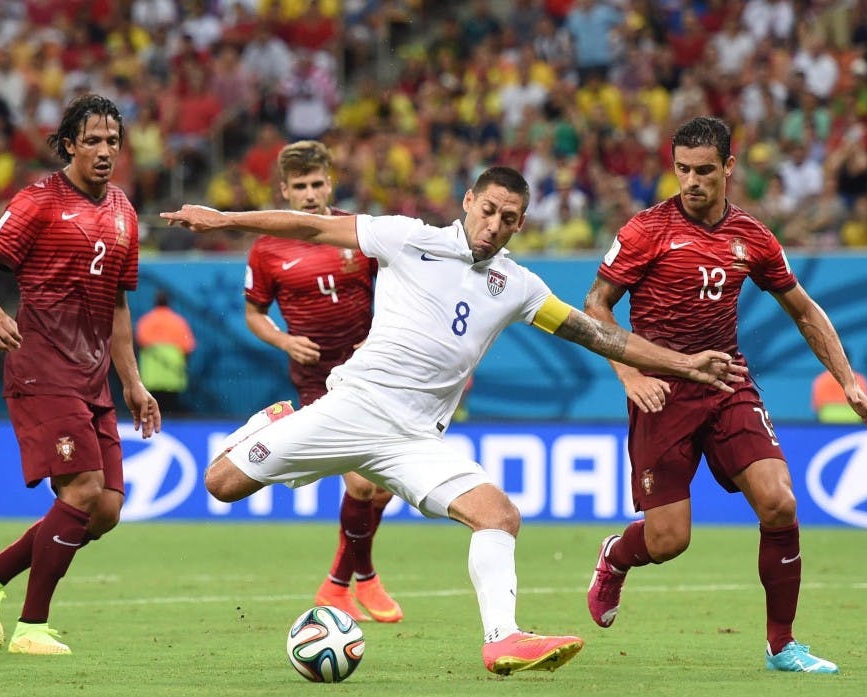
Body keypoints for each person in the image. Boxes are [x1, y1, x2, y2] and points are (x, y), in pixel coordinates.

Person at [160, 165, 747, 675]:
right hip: (351, 407)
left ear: (520, 224)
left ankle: (503, 640)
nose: (494, 225)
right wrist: (222, 219)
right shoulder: (405, 238)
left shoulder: (518, 286)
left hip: (416, 440)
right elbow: (313, 226)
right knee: (221, 484)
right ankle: (276, 417)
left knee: (498, 515)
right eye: (488, 210)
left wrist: (682, 363)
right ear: (468, 201)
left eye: (509, 218)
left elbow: (597, 334)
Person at [582, 116, 867, 675]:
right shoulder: (646, 230)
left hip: (726, 381)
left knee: (781, 502)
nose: (691, 181)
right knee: (669, 540)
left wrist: (847, 381)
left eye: (703, 171)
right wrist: (629, 375)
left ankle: (782, 644)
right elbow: (596, 305)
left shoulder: (753, 237)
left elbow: (804, 310)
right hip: (662, 390)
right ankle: (615, 557)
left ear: (729, 166)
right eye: (681, 170)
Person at [0, 94, 160, 656]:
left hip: (93, 380)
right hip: (42, 368)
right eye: (92, 140)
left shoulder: (123, 209)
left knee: (109, 509)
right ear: (69, 144)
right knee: (84, 490)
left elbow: (119, 305)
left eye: (112, 141)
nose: (103, 151)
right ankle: (31, 627)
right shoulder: (39, 200)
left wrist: (134, 384)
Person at [245, 139, 401, 623]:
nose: (310, 194)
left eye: (317, 184)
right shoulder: (267, 247)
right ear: (285, 192)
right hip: (319, 379)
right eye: (300, 187)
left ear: (329, 183)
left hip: (372, 371)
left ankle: (347, 582)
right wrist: (285, 341)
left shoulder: (356, 232)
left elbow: (398, 289)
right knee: (360, 484)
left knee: (386, 485)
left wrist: (376, 338)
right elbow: (253, 313)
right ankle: (349, 582)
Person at [135, 290, 196, 415]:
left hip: (151, 375)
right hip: (172, 375)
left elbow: (139, 343)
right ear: (170, 303)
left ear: (154, 302)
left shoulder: (146, 320)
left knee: (152, 407)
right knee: (171, 409)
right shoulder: (178, 322)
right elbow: (188, 348)